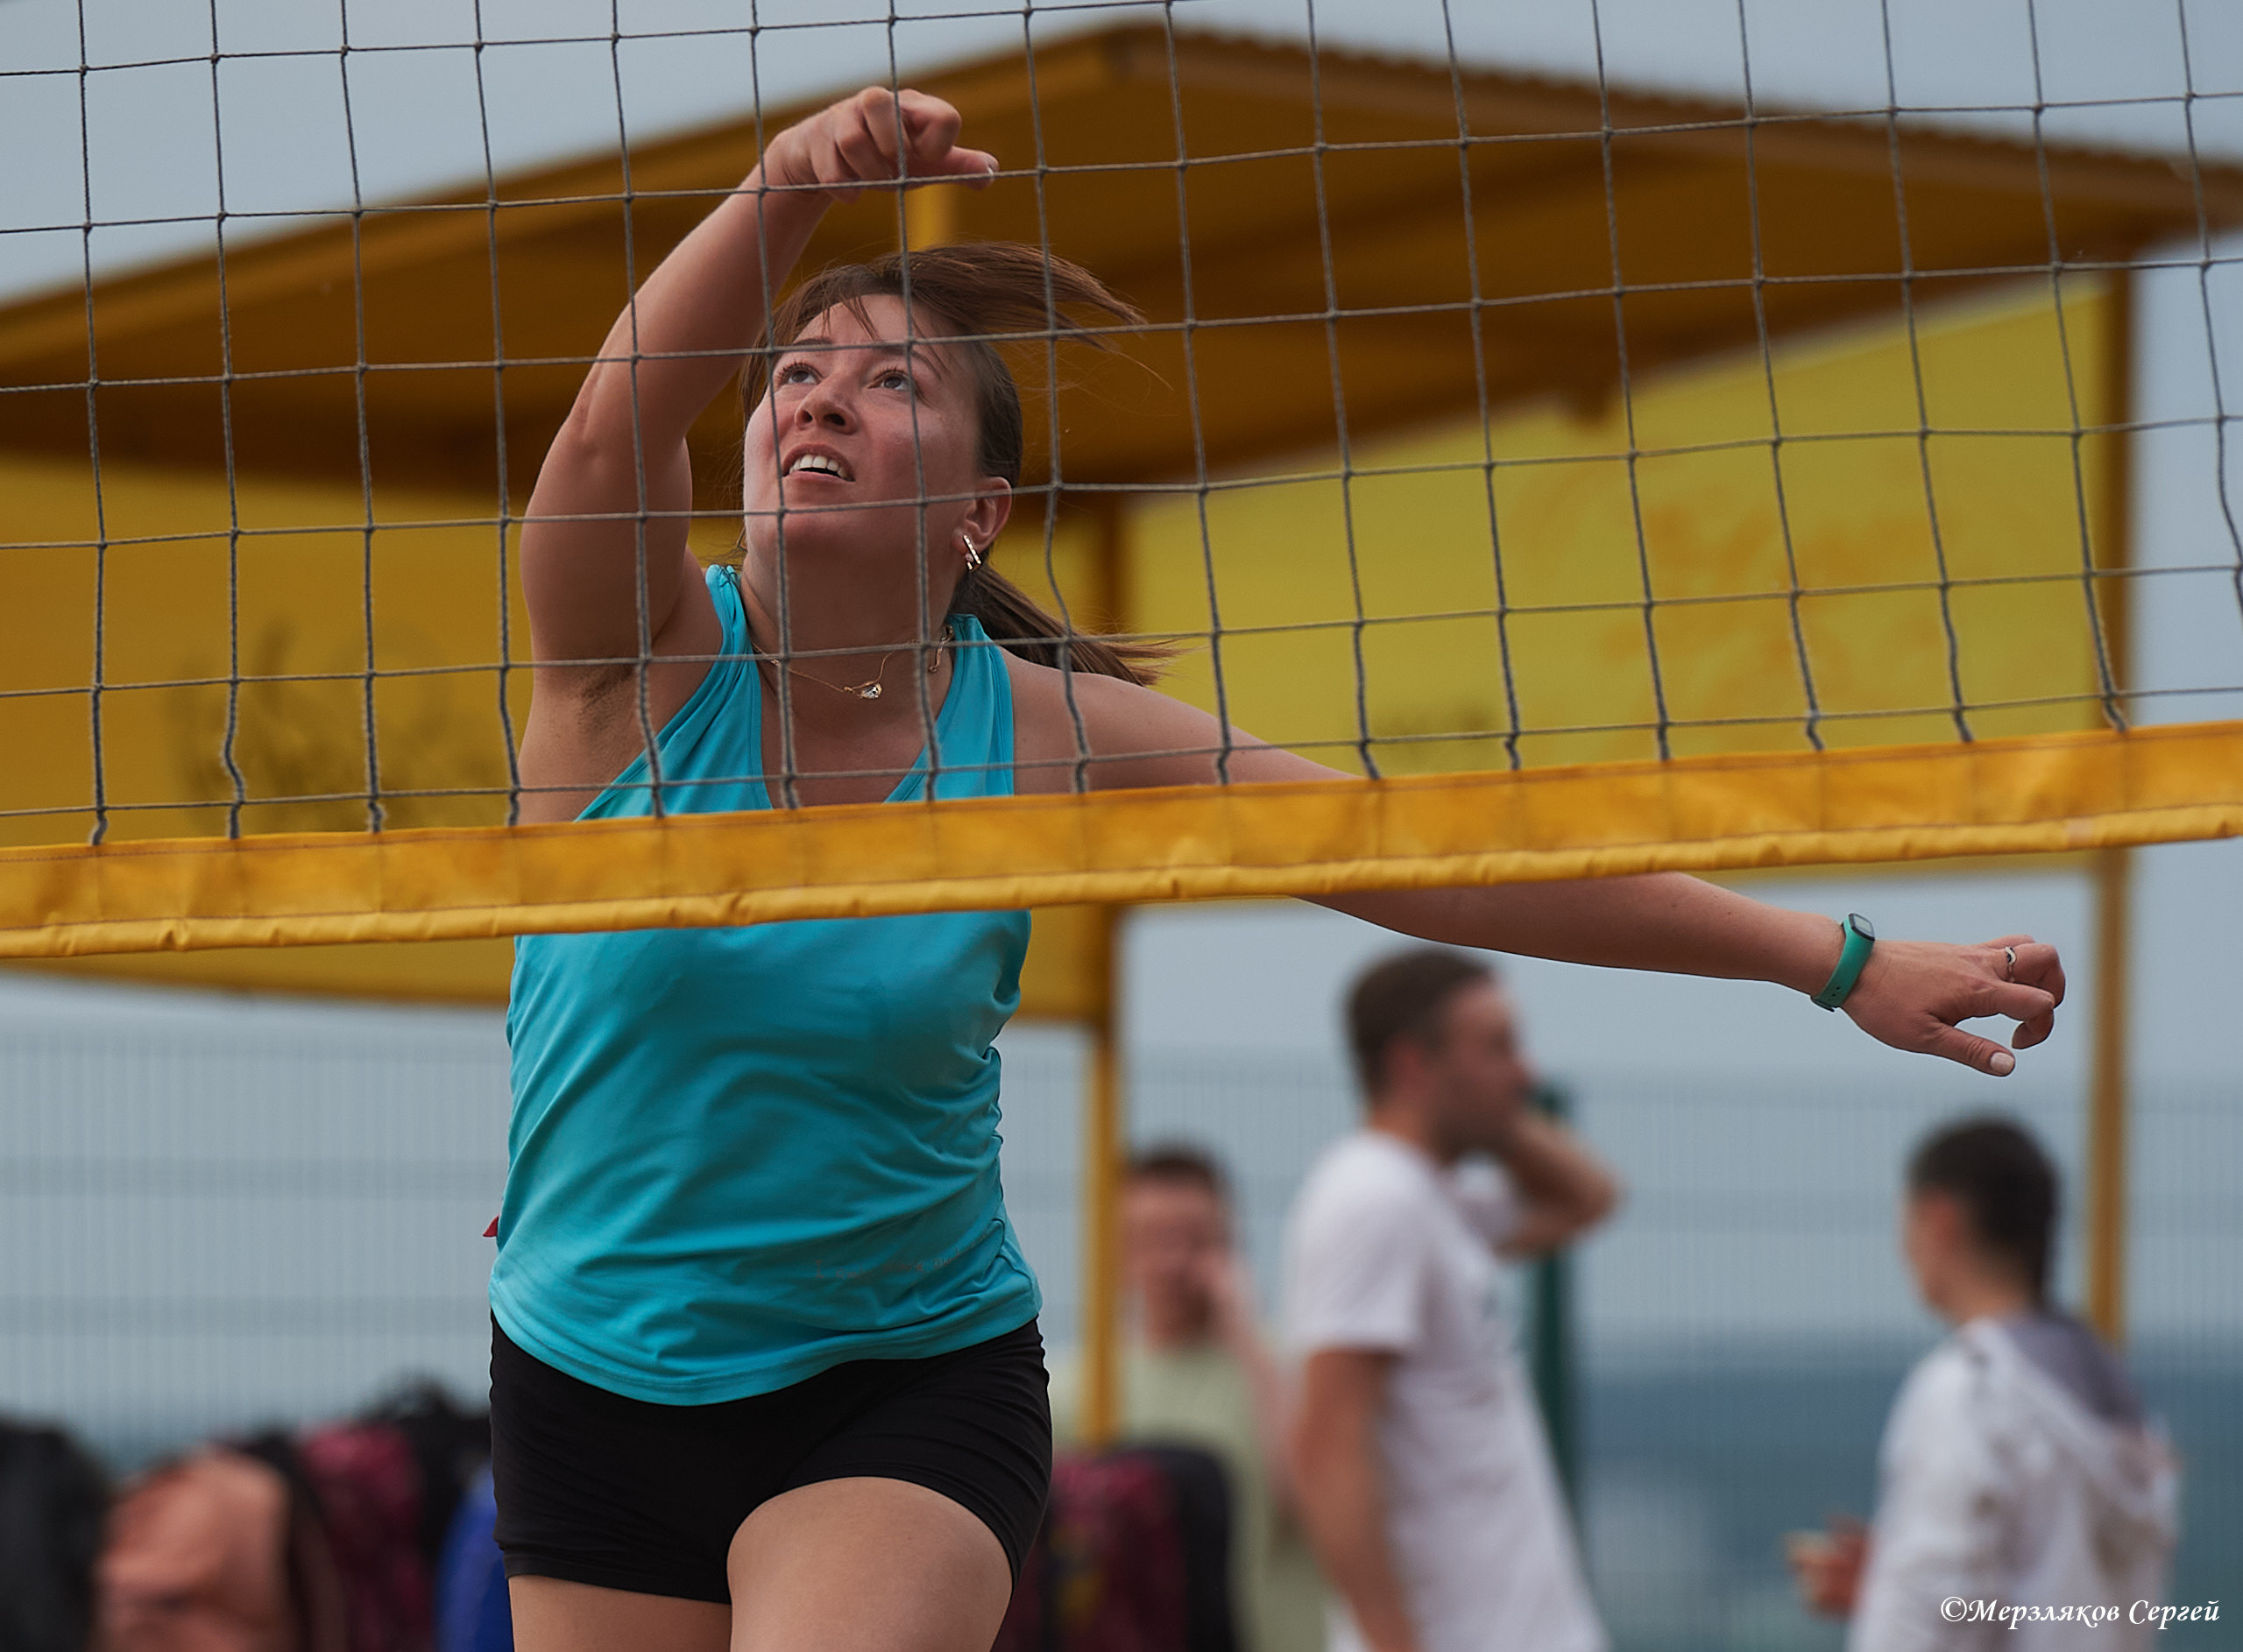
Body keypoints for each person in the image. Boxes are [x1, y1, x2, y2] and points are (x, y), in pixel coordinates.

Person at [487, 81, 2068, 1652]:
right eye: (795, 371)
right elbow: (606, 422)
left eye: (890, 381)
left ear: (978, 512)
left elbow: (1431, 861)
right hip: (590, 1370)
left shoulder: (1049, 733)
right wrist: (789, 182)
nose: (819, 398)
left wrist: (1835, 957)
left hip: (898, 1381)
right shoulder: (631, 664)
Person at [1284, 948, 1618, 1652]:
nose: (1525, 1072)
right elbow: (1328, 1447)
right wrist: (1391, 1643)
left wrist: (1497, 1112)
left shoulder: (1426, 1196)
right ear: (1413, 1065)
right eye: (1498, 1047)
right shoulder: (1373, 1199)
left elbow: (1588, 1198)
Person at [1789, 1118, 2178, 1649]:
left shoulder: (1964, 1391)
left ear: (1939, 1220)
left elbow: (1931, 1622)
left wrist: (1899, 1603)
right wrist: (1887, 1586)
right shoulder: (2111, 1395)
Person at [1050, 1146, 1328, 1652]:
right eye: (1150, 1240)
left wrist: (1245, 1333)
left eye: (1196, 1240)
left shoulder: (1284, 1369)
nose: (1173, 1260)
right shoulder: (1075, 1388)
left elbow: (1320, 1506)